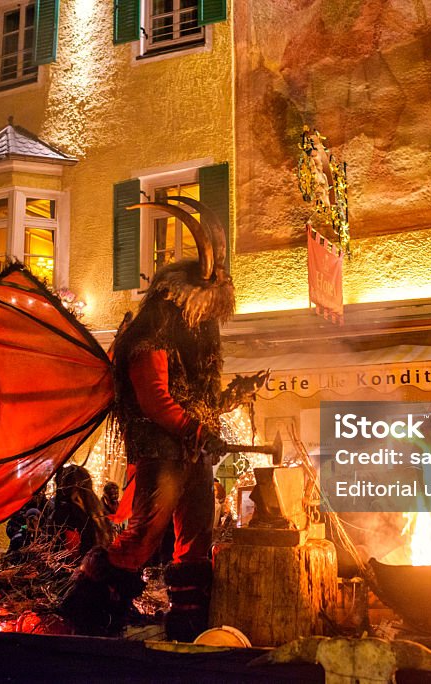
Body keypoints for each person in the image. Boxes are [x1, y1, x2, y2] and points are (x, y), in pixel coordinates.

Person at [57, 195, 262, 640]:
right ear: (191, 295)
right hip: (161, 451)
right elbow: (154, 399)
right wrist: (197, 430)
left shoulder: (194, 332)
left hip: (190, 452)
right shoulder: (153, 329)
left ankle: (188, 619)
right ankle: (90, 608)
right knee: (143, 537)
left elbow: (196, 398)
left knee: (195, 539)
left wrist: (231, 398)